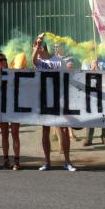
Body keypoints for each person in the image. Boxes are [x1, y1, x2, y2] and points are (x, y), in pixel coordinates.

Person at [32, 34, 76, 171]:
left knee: (63, 129)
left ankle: (67, 161)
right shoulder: (39, 62)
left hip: (59, 99)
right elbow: (33, 60)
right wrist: (37, 45)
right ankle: (47, 162)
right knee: (46, 130)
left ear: (42, 48)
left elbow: (65, 80)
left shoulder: (58, 61)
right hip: (44, 99)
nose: (35, 51)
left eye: (36, 48)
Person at [0, 52, 21, 169]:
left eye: (5, 59)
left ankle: (17, 161)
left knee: (15, 134)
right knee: (4, 134)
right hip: (2, 107)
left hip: (13, 106)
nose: (4, 62)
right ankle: (6, 159)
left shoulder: (13, 73)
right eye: (1, 60)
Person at [85, 55, 105, 147]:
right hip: (91, 93)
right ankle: (88, 139)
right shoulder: (86, 61)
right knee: (90, 116)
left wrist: (100, 71)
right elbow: (83, 75)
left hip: (104, 92)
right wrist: (92, 69)